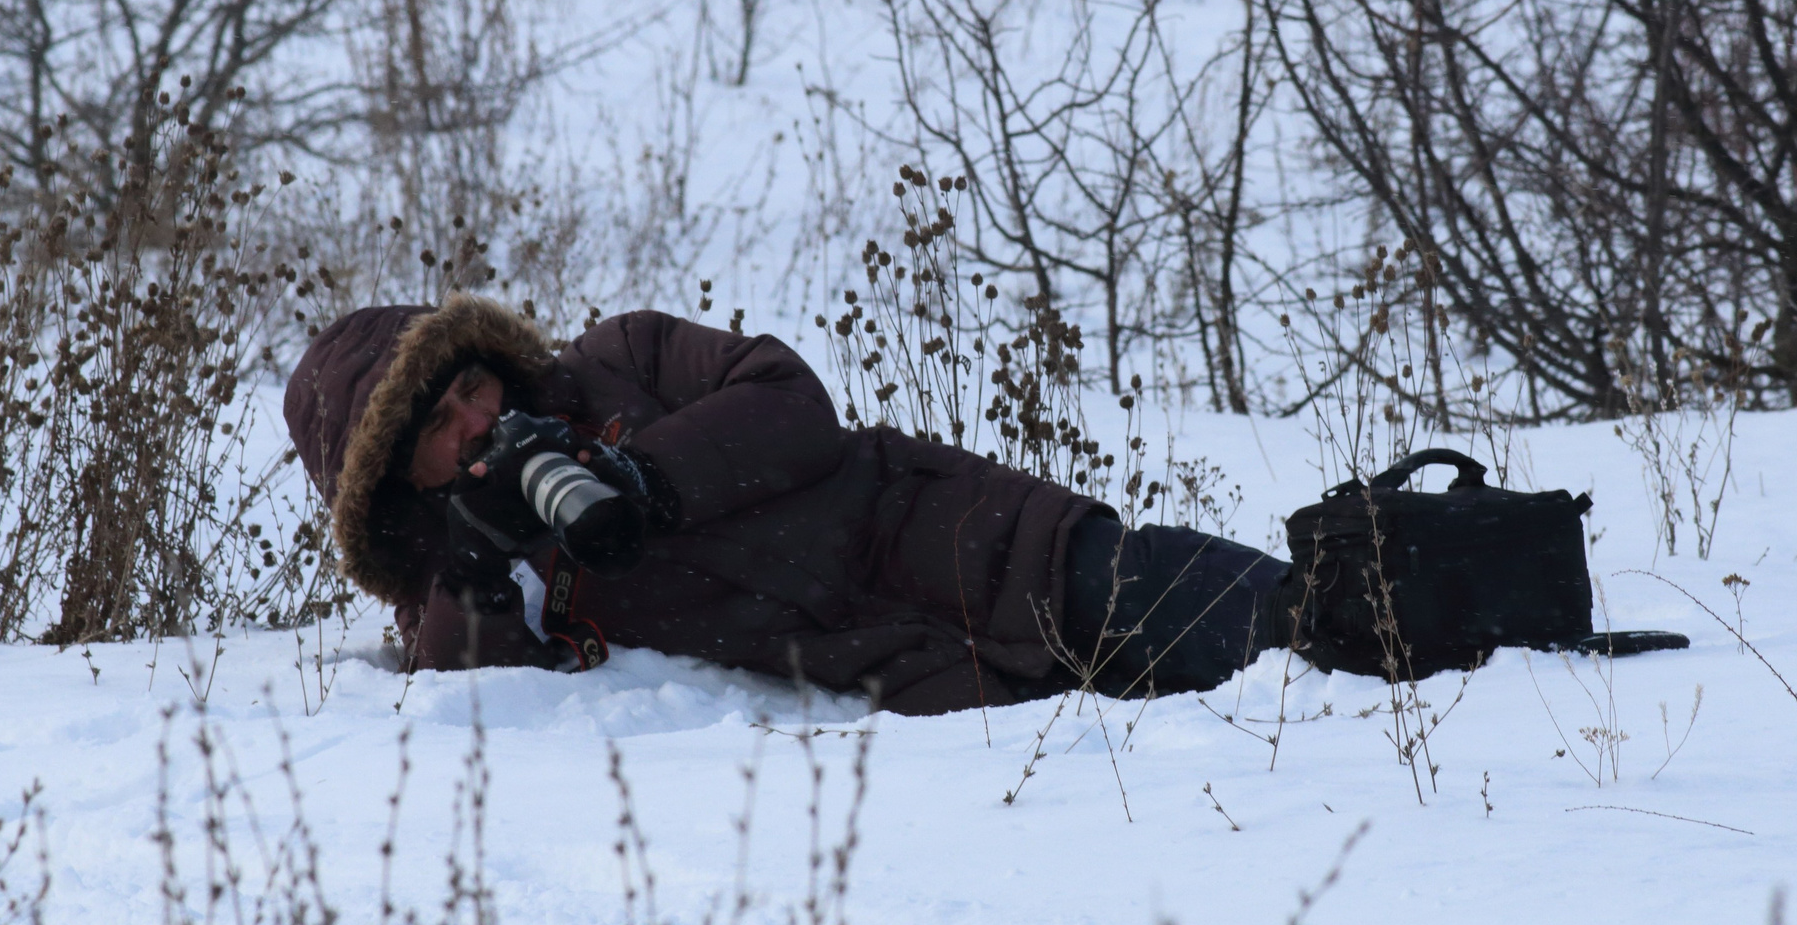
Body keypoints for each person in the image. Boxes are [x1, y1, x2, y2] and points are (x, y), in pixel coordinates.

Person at [283, 294, 1291, 714]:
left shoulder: (618, 362)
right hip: (945, 690)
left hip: (994, 548)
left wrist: (640, 481)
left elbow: (789, 401)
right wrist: (482, 558)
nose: (477, 419)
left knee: (1307, 631)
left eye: (473, 387)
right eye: (440, 428)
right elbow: (471, 698)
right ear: (389, 483)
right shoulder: (447, 592)